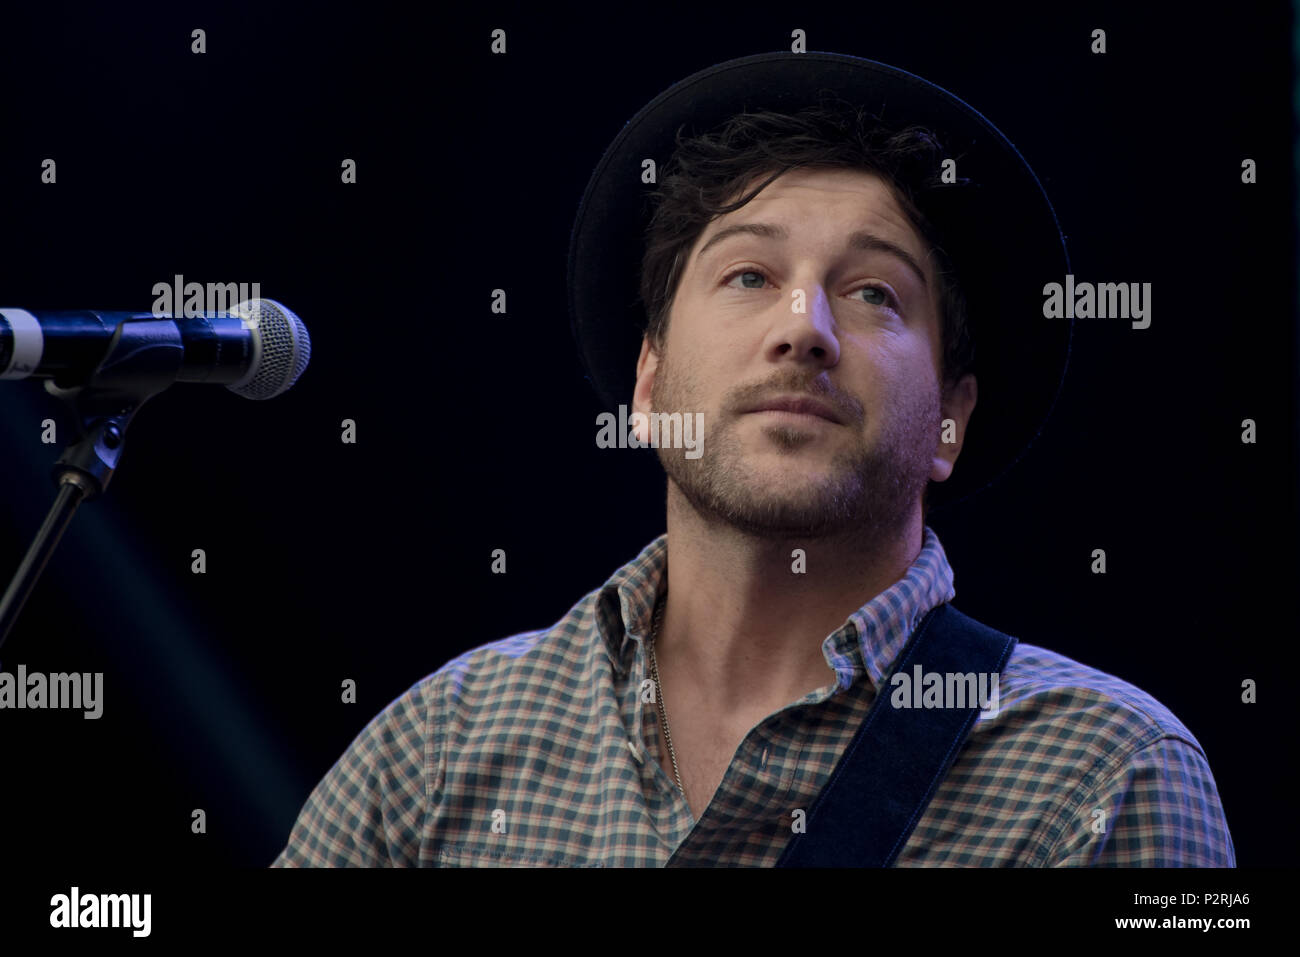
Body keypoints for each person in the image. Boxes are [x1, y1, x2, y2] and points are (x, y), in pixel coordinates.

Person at [272, 52, 1235, 867]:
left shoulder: (1109, 772)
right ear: (647, 385)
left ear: (949, 418)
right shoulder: (435, 747)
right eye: (748, 274)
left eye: (873, 293)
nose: (804, 328)